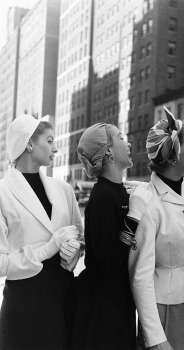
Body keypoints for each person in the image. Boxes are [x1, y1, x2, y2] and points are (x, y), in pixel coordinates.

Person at [128, 107, 184, 350]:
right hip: (165, 309)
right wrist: (156, 338)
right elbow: (140, 275)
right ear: (174, 155)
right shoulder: (146, 200)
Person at [0, 114, 83, 350]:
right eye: (49, 140)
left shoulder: (64, 189)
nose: (55, 148)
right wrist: (47, 250)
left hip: (64, 301)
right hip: (25, 308)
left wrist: (74, 251)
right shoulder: (2, 193)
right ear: (29, 143)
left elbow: (80, 237)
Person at [70, 122, 151, 350]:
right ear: (108, 152)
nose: (128, 143)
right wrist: (133, 216)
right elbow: (109, 263)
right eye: (121, 137)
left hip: (119, 302)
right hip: (103, 310)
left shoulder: (118, 191)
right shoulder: (103, 196)